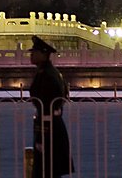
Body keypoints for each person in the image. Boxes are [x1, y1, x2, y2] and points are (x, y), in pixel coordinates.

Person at [29, 35, 73, 177]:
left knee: (46, 170)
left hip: (49, 128)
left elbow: (48, 104)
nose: (31, 55)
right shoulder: (48, 72)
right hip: (52, 126)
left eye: (34, 52)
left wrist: (42, 137)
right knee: (50, 170)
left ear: (43, 54)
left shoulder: (47, 75)